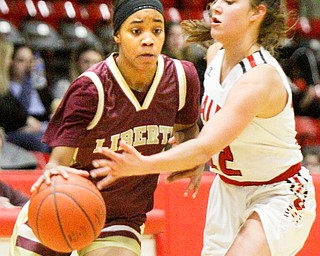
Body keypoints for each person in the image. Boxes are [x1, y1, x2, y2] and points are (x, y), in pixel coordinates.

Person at [90, 0, 317, 255]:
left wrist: (140, 164)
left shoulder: (259, 78)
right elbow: (206, 133)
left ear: (257, 12)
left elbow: (204, 147)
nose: (216, 7)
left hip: (277, 192)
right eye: (216, 1)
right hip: (228, 190)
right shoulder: (215, 55)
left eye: (229, 2)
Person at [10, 0, 202, 255]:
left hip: (121, 217)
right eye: (136, 31)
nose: (148, 40)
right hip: (64, 204)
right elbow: (58, 163)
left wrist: (194, 156)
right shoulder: (91, 88)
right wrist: (54, 179)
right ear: (117, 35)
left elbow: (188, 128)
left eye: (157, 31)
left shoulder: (181, 77)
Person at [7, 44, 51, 153]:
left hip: (41, 129)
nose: (28, 66)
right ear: (11, 62)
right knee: (38, 140)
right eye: (21, 61)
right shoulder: (6, 89)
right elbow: (15, 116)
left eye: (30, 61)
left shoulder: (41, 88)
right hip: (17, 131)